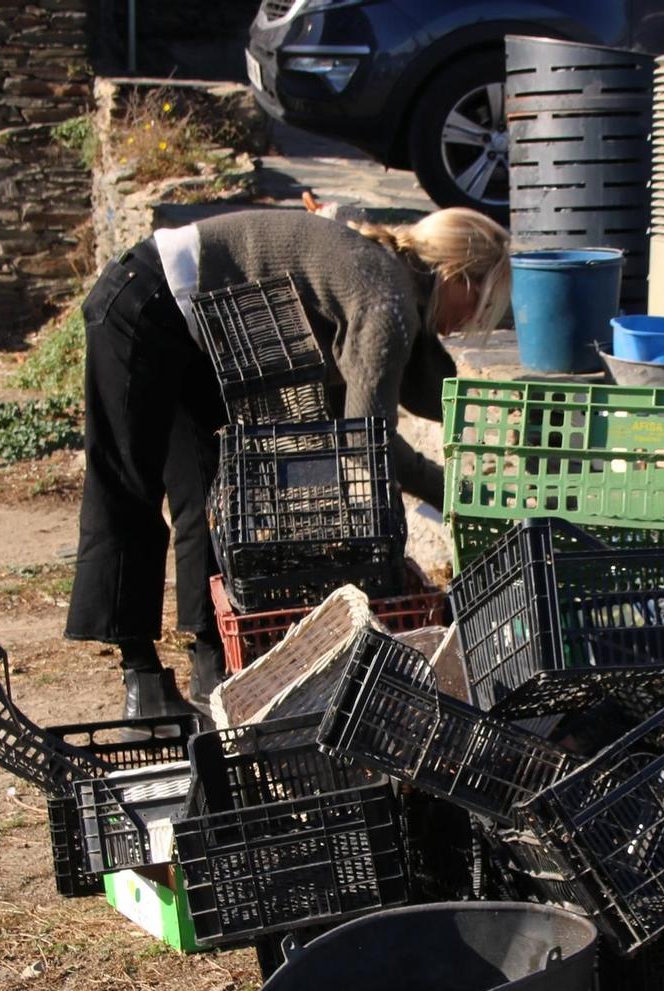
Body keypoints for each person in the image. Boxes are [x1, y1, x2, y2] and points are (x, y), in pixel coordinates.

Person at [64, 206, 511, 718]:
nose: (472, 324)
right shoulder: (386, 299)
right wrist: (457, 493)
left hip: (192, 329)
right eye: (483, 302)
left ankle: (213, 670)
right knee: (129, 486)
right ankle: (141, 682)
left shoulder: (392, 284)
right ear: (457, 276)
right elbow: (367, 445)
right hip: (145, 299)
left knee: (211, 496)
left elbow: (415, 394)